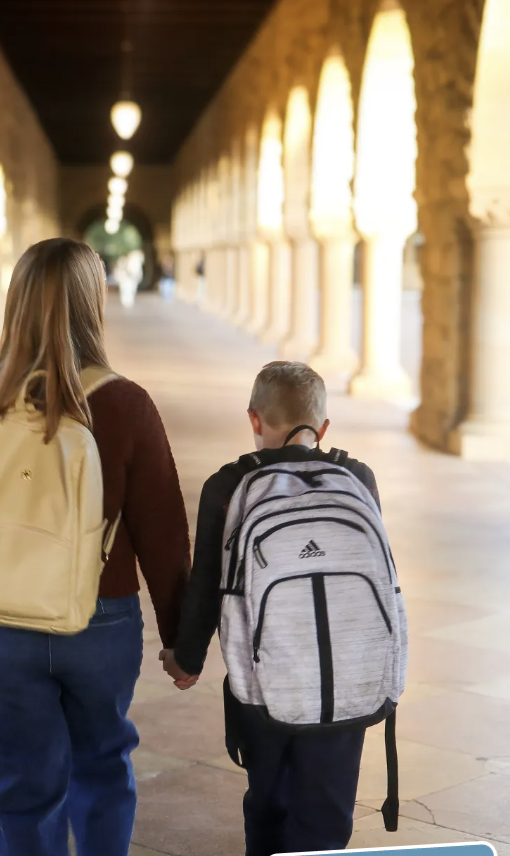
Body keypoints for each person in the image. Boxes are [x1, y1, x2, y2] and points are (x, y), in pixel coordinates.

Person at [0, 237, 190, 856]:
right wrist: (181, 638)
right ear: (93, 304)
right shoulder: (124, 402)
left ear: (13, 302)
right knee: (101, 764)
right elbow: (164, 535)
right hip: (100, 617)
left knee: (20, 779)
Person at [162, 361, 386, 856]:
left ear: (254, 420)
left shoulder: (228, 485)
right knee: (329, 814)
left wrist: (186, 658)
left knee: (268, 803)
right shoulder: (358, 477)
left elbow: (205, 585)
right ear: (323, 428)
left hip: (263, 686)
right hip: (346, 684)